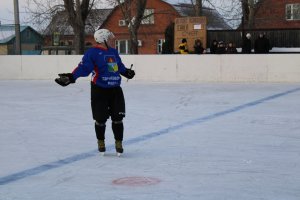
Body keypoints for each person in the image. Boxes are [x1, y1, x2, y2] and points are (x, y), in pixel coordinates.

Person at [55, 29, 135, 156]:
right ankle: (101, 141)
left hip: (115, 89)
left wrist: (126, 72)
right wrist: (72, 77)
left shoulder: (113, 52)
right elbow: (84, 68)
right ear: (103, 39)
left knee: (118, 118)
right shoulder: (92, 53)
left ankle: (118, 142)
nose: (112, 40)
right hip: (99, 89)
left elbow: (118, 66)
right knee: (100, 119)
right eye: (109, 38)